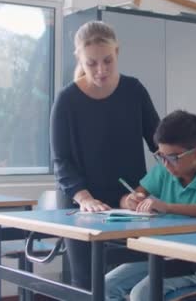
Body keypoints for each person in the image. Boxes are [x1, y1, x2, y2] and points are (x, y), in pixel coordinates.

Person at [50, 20, 160, 289]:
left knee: (132, 280)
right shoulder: (67, 100)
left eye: (108, 61)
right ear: (80, 59)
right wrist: (84, 198)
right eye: (92, 63)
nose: (101, 70)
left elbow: (160, 147)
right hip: (82, 205)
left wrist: (146, 190)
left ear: (117, 52)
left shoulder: (134, 91)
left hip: (130, 203)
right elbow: (61, 160)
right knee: (88, 285)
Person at [105, 110, 196, 301]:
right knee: (106, 286)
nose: (165, 164)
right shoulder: (164, 172)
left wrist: (168, 207)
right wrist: (130, 200)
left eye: (172, 158)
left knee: (141, 294)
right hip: (161, 255)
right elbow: (135, 194)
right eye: (160, 156)